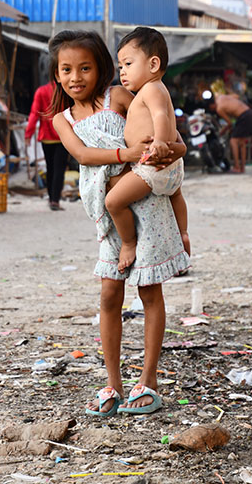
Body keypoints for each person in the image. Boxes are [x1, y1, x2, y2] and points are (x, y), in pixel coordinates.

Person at [50, 30, 190, 418]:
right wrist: (126, 152)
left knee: (149, 293)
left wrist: (169, 150)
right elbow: (83, 153)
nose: (75, 76)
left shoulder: (119, 97)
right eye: (66, 69)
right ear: (56, 74)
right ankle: (113, 381)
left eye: (85, 68)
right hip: (109, 216)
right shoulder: (62, 119)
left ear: (102, 70)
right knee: (110, 294)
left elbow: (168, 134)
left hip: (146, 203)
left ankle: (149, 380)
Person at [105, 26, 189, 273]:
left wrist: (161, 142)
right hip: (172, 168)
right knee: (176, 196)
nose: (123, 72)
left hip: (152, 165)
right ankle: (182, 234)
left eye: (128, 64)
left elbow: (161, 116)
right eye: (120, 67)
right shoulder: (156, 89)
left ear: (153, 64)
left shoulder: (151, 89)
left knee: (113, 202)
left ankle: (129, 243)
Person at [24, 82, 68, 210]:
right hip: (63, 137)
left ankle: (51, 198)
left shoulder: (41, 91)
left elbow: (34, 114)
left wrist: (28, 133)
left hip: (47, 137)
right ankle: (55, 200)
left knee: (51, 168)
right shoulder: (65, 91)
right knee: (60, 169)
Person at [210, 91, 252, 173]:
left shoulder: (219, 108)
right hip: (250, 113)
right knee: (242, 143)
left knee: (233, 141)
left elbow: (230, 123)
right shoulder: (221, 97)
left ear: (211, 105)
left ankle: (237, 167)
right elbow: (236, 95)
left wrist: (222, 131)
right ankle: (242, 168)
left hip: (244, 116)